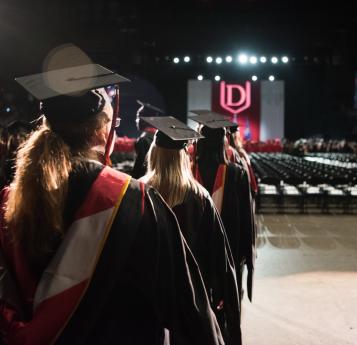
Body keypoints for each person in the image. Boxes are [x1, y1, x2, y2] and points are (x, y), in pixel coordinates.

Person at [0, 64, 223, 345]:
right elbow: (189, 310)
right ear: (101, 133)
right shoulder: (135, 202)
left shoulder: (10, 201)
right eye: (112, 123)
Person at [139, 116, 242, 345]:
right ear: (183, 156)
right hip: (192, 295)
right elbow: (219, 255)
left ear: (153, 154)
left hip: (148, 295)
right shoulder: (200, 198)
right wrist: (223, 293)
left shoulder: (136, 194)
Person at [190, 110, 256, 305]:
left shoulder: (187, 172)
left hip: (195, 247)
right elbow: (246, 219)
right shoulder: (237, 174)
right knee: (227, 299)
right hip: (229, 249)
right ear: (222, 142)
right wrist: (247, 252)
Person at [131, 100, 162, 178]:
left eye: (138, 117)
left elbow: (138, 169)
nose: (136, 120)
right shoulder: (160, 137)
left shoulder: (144, 139)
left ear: (147, 119)